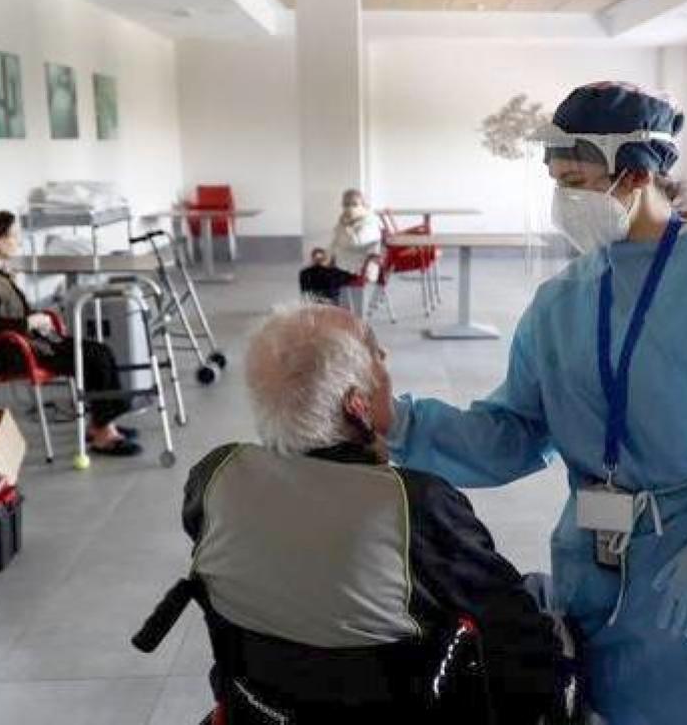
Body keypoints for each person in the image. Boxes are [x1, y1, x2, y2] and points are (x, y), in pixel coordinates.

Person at [388, 82, 687, 724]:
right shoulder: (562, 303)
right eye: (556, 180)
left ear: (636, 175)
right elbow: (515, 434)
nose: (564, 199)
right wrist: (401, 423)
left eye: (577, 179)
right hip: (597, 569)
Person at [182, 304, 563, 720]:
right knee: (543, 597)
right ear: (358, 405)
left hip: (259, 708)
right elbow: (516, 630)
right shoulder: (412, 505)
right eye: (376, 351)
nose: (387, 360)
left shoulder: (215, 478)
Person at [0, 211, 140, 456]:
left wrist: (35, 321)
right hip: (7, 349)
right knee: (94, 357)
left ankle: (101, 424)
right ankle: (103, 432)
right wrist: (29, 322)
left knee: (99, 351)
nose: (18, 241)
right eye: (13, 236)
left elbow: (6, 313)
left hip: (24, 341)